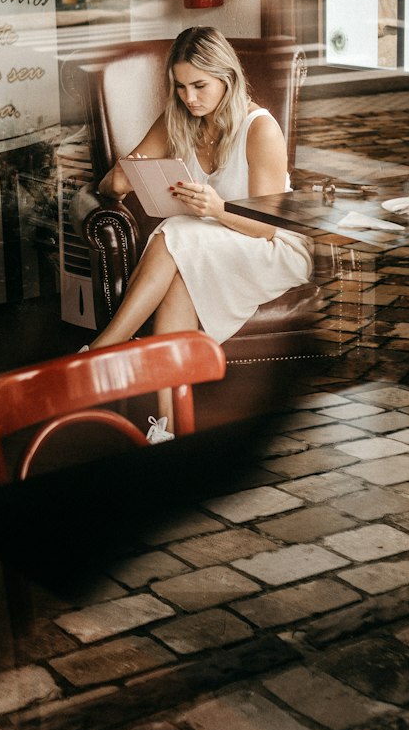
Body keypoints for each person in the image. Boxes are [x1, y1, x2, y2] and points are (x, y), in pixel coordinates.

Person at [87, 26, 313, 437]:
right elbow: (111, 186)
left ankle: (104, 350)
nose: (189, 97)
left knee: (179, 229)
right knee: (180, 275)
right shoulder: (179, 119)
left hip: (270, 246)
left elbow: (268, 227)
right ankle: (166, 428)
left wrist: (217, 208)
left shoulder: (260, 128)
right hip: (210, 243)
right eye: (180, 87)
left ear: (226, 78)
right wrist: (126, 171)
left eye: (199, 85)